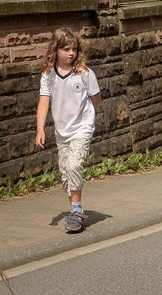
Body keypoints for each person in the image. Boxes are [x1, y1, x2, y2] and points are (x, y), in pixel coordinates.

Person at [35, 28, 101, 232]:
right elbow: (44, 102)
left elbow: (96, 99)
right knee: (65, 174)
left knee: (74, 166)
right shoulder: (48, 75)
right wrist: (40, 129)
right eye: (66, 49)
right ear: (55, 50)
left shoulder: (84, 73)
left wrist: (85, 114)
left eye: (74, 49)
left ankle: (76, 210)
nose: (71, 53)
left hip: (82, 127)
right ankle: (73, 208)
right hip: (61, 130)